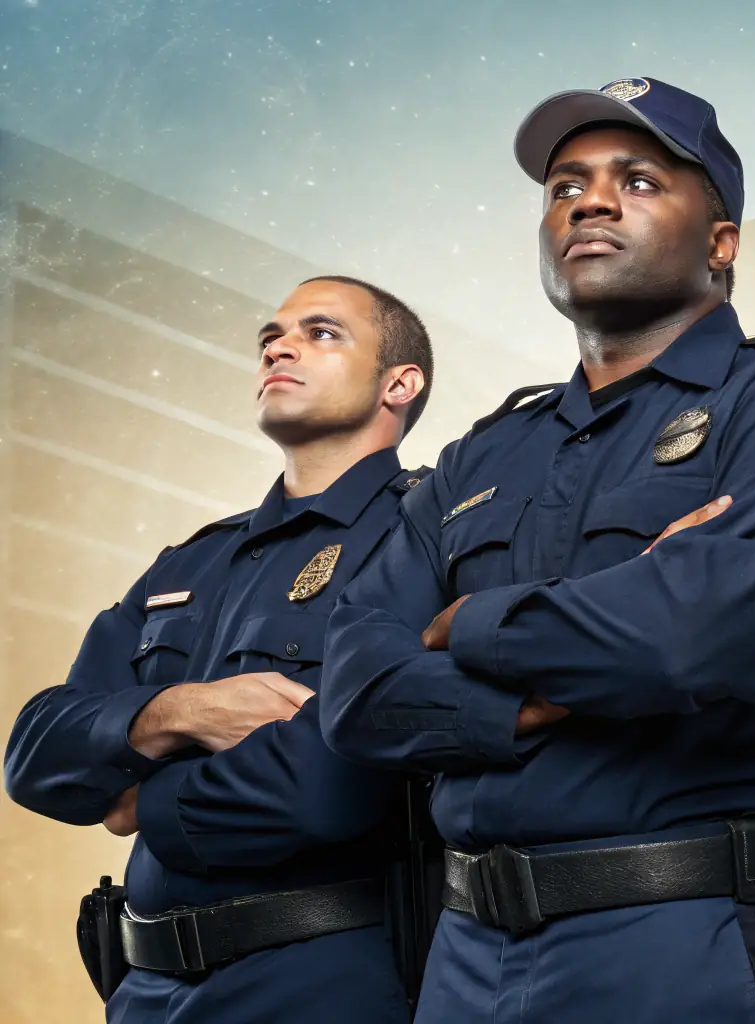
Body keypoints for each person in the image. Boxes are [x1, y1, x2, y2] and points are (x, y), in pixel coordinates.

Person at [319, 77, 755, 1024]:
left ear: (721, 243)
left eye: (638, 181)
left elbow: (692, 640)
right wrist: (532, 702)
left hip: (688, 939)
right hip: (467, 959)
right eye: (565, 186)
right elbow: (352, 689)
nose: (589, 201)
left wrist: (465, 621)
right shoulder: (480, 453)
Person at [5, 276, 435, 1023]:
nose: (279, 345)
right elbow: (36, 754)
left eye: (322, 333)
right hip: (144, 991)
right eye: (271, 335)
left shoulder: (426, 538)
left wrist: (141, 796)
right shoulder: (189, 563)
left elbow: (328, 788)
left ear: (398, 382)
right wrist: (178, 711)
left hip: (321, 981)